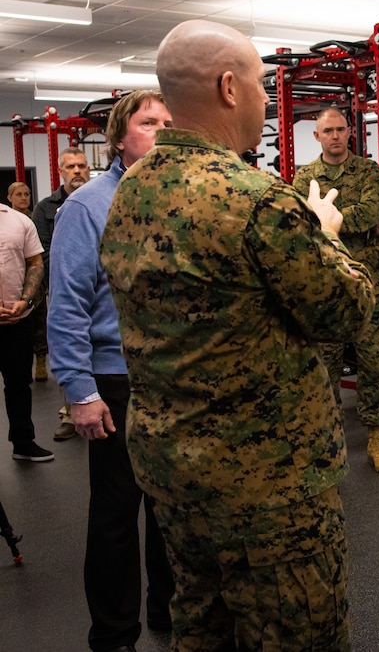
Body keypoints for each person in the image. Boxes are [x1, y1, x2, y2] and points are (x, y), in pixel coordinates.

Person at [99, 19, 375, 651]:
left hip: (175, 475)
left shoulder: (130, 191)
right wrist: (325, 233)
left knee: (201, 626)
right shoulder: (255, 199)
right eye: (258, 83)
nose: (266, 100)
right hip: (268, 488)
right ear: (229, 87)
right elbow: (346, 313)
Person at [48, 90, 175, 651]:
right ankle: (115, 635)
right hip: (117, 379)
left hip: (175, 376)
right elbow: (67, 304)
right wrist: (79, 390)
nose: (162, 131)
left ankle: (169, 613)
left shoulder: (182, 196)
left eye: (169, 122)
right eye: (150, 122)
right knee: (117, 516)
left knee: (172, 508)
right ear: (120, 138)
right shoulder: (88, 206)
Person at [293, 107, 379, 473]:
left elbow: (373, 211)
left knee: (375, 363)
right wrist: (339, 218)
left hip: (369, 281)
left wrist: (329, 218)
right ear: (317, 136)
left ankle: (376, 436)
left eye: (341, 129)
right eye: (328, 130)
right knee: (324, 367)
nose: (336, 136)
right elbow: (301, 220)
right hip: (326, 284)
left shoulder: (368, 171)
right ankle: (328, 440)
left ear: (349, 132)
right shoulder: (305, 175)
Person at [32, 146, 90, 441]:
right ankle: (71, 411)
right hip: (65, 290)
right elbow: (42, 252)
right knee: (70, 350)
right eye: (71, 167)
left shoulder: (99, 200)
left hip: (98, 290)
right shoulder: (45, 208)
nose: (77, 171)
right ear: (61, 171)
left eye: (82, 165)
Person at [0, 193, 51, 461]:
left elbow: (35, 263)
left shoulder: (19, 221)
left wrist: (26, 300)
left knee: (19, 383)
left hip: (17, 319)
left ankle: (23, 442)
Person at [7, 182, 49, 384]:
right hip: (12, 279)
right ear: (10, 198)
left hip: (33, 279)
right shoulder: (7, 221)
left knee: (39, 321)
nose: (24, 198)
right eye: (19, 194)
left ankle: (40, 361)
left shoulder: (34, 219)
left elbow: (38, 256)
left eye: (27, 194)